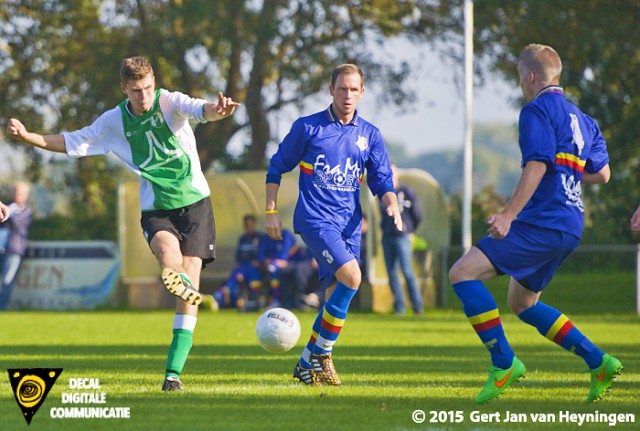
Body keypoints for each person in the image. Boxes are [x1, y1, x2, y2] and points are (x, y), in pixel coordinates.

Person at [6, 56, 240, 391]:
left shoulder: (170, 102)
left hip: (196, 204)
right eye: (136, 91)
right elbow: (72, 141)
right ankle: (175, 276)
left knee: (187, 295)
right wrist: (30, 136)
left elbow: (202, 109)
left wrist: (219, 110)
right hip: (156, 207)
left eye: (147, 88)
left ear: (154, 82)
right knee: (166, 253)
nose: (143, 96)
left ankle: (173, 373)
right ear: (124, 89)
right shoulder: (113, 121)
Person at [449, 44, 621, 404]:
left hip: (543, 221)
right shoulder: (584, 120)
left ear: (530, 77)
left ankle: (504, 362)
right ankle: (598, 362)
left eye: (518, 78)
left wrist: (508, 214)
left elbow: (537, 164)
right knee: (522, 302)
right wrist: (567, 174)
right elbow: (602, 174)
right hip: (571, 223)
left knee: (462, 273)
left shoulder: (535, 110)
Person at [265, 63, 401, 386]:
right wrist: (270, 210)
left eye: (354, 89)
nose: (348, 95)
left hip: (350, 226)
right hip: (316, 220)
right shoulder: (308, 128)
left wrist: (391, 201)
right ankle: (323, 354)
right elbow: (276, 167)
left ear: (362, 92)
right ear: (331, 90)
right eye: (342, 88)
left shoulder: (369, 134)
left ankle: (306, 362)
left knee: (333, 298)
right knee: (353, 277)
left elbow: (381, 180)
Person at [380, 163, 423, 315]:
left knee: (407, 270)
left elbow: (417, 214)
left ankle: (418, 307)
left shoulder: (406, 191)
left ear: (397, 174)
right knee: (391, 273)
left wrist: (410, 231)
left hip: (403, 237)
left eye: (392, 172)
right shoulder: (383, 193)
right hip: (387, 236)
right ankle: (399, 307)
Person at [203, 214, 262, 311]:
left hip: (257, 268)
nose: (248, 227)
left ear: (255, 225)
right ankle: (215, 299)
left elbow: (263, 254)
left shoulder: (260, 238)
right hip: (243, 268)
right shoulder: (242, 239)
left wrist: (259, 262)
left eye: (250, 224)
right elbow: (238, 257)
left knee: (253, 277)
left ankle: (253, 303)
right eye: (246, 225)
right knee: (233, 281)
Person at [0, 182, 33, 310]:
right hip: (1, 248)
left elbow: (14, 220)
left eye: (19, 193)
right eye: (15, 192)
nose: (16, 195)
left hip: (14, 249)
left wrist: (5, 213)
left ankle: (2, 308)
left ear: (26, 195)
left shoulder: (27, 210)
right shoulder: (6, 206)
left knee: (7, 280)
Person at [258, 228, 296, 308]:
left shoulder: (286, 235)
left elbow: (283, 260)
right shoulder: (266, 237)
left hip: (294, 264)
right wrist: (268, 261)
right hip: (272, 265)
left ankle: (277, 300)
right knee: (266, 270)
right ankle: (257, 301)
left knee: (273, 270)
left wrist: (272, 261)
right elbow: (261, 256)